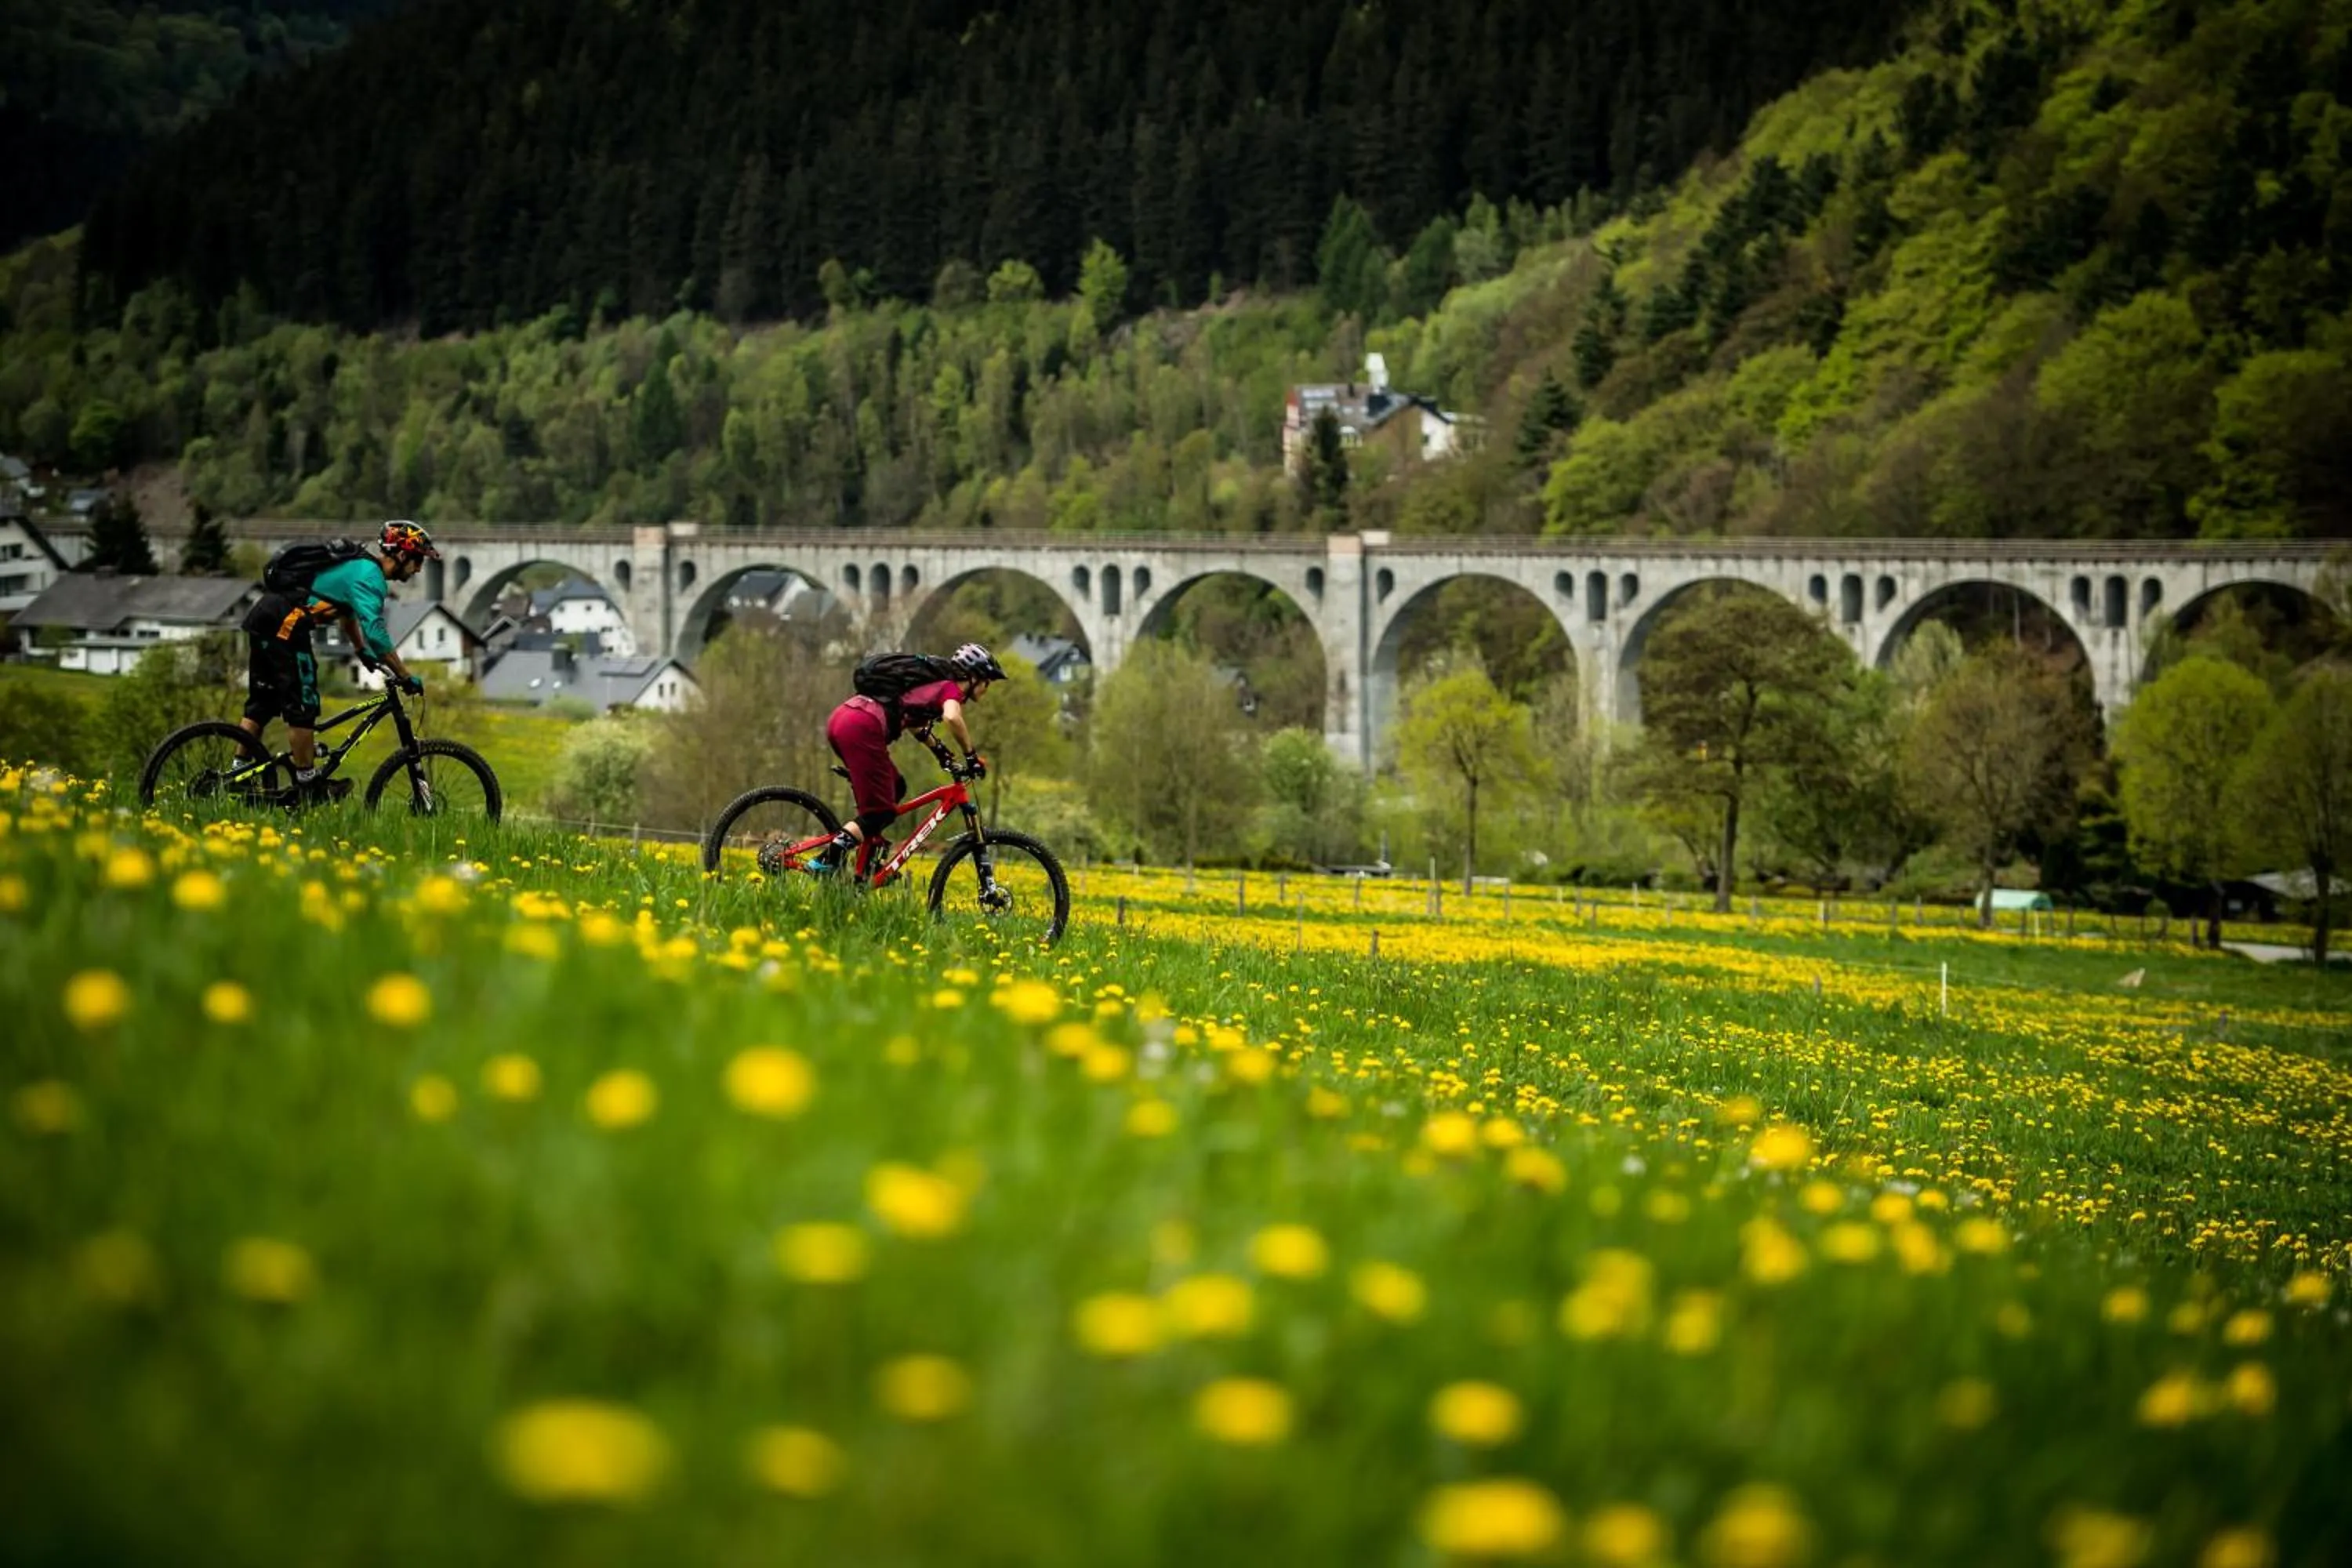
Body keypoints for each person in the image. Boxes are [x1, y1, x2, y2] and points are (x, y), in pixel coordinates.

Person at [240, 521, 437, 804]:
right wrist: (405, 675)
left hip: (266, 617)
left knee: (262, 704)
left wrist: (359, 650)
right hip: (286, 626)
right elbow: (378, 636)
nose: (419, 569)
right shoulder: (371, 578)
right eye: (418, 560)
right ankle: (308, 786)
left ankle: (236, 772)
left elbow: (346, 612)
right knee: (303, 706)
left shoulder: (359, 565)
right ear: (402, 555)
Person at [814, 641, 1004, 875]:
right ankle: (827, 860)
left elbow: (917, 726)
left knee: (896, 787)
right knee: (881, 812)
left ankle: (867, 865)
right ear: (975, 677)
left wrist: (941, 753)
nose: (987, 689)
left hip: (845, 719)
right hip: (862, 727)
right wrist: (971, 755)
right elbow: (952, 718)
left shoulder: (929, 686)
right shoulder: (949, 688)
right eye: (988, 682)